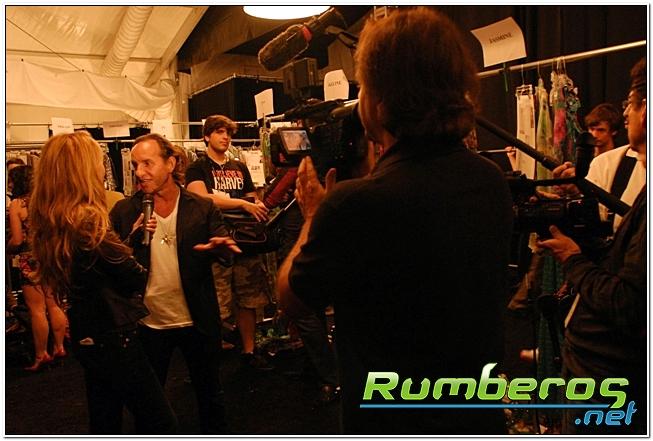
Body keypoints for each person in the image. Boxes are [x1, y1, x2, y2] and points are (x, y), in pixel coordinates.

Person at [277, 7, 513, 434]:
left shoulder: (354, 204)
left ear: (381, 100)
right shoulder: (489, 179)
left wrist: (312, 215)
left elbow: (292, 300)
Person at [28, 132, 177, 434]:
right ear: (82, 169)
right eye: (97, 161)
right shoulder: (86, 221)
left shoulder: (54, 217)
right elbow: (134, 277)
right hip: (113, 336)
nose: (102, 168)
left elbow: (97, 268)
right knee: (161, 422)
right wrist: (141, 245)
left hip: (88, 331)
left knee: (105, 419)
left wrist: (128, 240)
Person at [537, 58, 646, 435]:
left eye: (631, 102)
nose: (627, 112)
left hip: (611, 374)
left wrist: (572, 257)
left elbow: (629, 303)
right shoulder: (617, 167)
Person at [110, 133, 240, 434]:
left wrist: (222, 248)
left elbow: (225, 249)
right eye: (135, 165)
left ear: (170, 163)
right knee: (148, 405)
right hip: (147, 323)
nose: (139, 172)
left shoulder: (201, 207)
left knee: (210, 395)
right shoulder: (125, 211)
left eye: (147, 163)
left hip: (197, 319)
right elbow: (112, 265)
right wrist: (132, 238)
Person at [185, 115, 273, 370]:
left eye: (228, 133)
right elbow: (202, 198)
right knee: (216, 302)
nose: (225, 137)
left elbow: (251, 197)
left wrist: (253, 203)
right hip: (215, 241)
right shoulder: (197, 167)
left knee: (249, 299)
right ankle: (210, 355)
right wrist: (241, 204)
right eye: (219, 132)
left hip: (245, 240)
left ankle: (249, 351)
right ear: (206, 136)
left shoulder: (240, 166)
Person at [7, 164, 68, 371]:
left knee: (37, 310)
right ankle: (59, 347)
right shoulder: (48, 199)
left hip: (30, 259)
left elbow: (17, 239)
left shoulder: (17, 204)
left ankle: (42, 354)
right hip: (51, 256)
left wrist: (8, 248)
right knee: (55, 305)